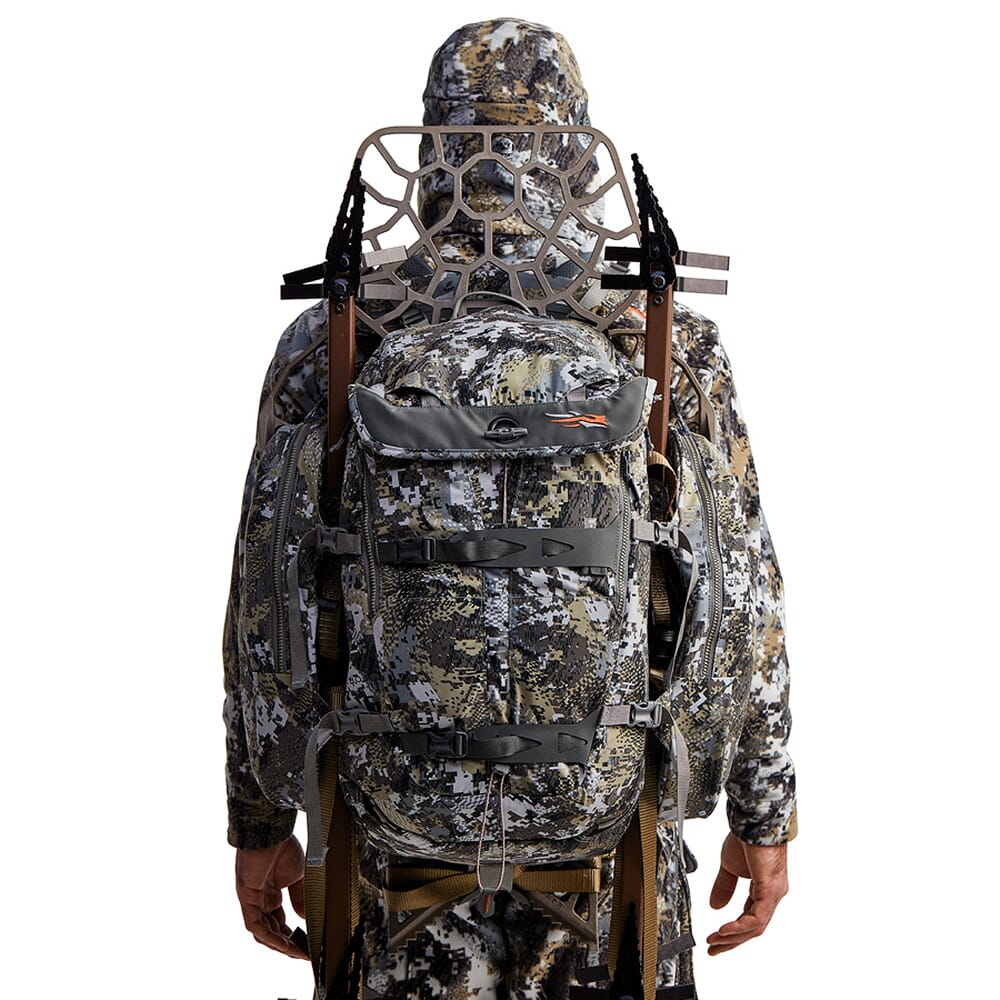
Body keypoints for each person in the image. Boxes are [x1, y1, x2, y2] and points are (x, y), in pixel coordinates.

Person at [223, 18, 797, 998]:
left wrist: (260, 820)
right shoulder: (662, 337)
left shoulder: (338, 334)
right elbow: (742, 595)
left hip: (389, 872)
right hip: (617, 867)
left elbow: (265, 599)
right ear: (577, 155)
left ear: (430, 145)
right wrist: (763, 812)